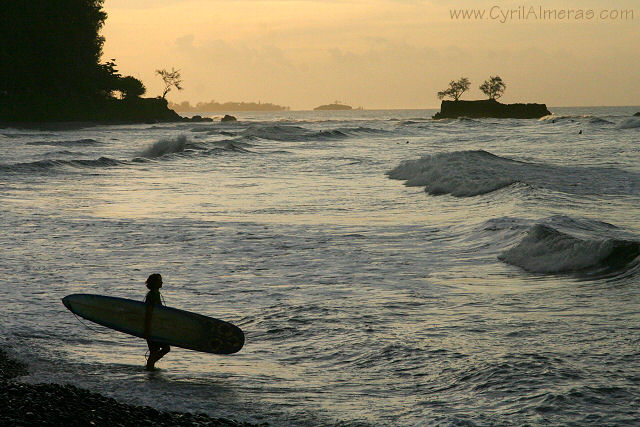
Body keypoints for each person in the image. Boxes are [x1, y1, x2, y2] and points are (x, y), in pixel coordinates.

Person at [144, 273, 170, 371]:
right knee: (165, 348)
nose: (161, 282)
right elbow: (149, 312)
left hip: (154, 327)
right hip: (152, 327)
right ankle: (150, 367)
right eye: (159, 280)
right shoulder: (152, 295)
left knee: (154, 351)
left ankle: (150, 369)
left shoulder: (155, 294)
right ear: (154, 283)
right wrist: (147, 328)